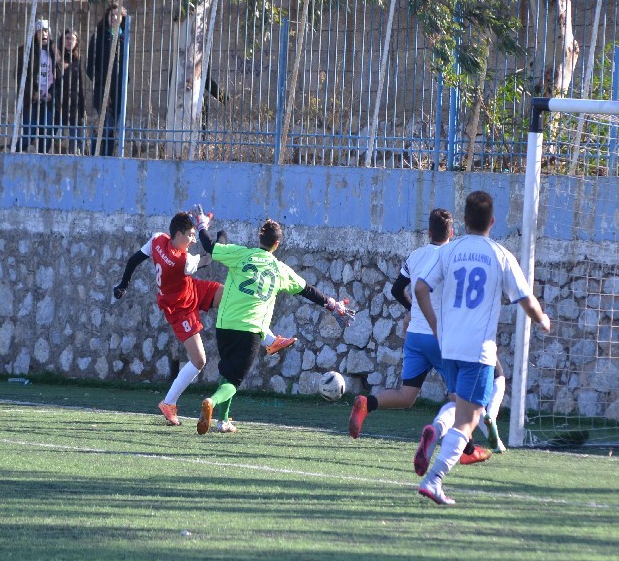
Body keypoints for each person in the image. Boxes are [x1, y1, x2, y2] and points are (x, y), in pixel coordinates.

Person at [412, 190, 550, 506]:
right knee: (470, 418)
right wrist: (542, 319)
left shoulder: (449, 251)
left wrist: (435, 325)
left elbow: (420, 288)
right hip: (478, 350)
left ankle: (436, 430)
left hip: (449, 347)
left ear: (464, 221)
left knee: (459, 405)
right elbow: (526, 300)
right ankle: (434, 480)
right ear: (492, 221)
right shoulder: (500, 255)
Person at [347, 208, 502, 461]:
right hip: (441, 336)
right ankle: (466, 449)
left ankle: (368, 403)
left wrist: (413, 310)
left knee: (407, 395)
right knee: (460, 397)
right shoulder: (454, 256)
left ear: (429, 232)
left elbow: (397, 290)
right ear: (452, 233)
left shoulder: (416, 255)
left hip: (416, 336)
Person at [112, 212, 296, 425]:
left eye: (194, 234)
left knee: (234, 296)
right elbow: (209, 258)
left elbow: (134, 260)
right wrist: (220, 237)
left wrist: (123, 285)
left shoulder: (157, 239)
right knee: (199, 360)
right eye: (190, 235)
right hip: (179, 307)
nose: (193, 240)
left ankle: (270, 341)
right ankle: (168, 403)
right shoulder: (182, 261)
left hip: (191, 289)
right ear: (178, 234)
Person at [193, 210, 352, 434]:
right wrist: (333, 305)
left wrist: (201, 225)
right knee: (233, 381)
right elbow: (307, 290)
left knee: (228, 372)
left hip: (224, 325)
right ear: (276, 244)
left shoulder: (241, 254)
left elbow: (210, 246)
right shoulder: (279, 269)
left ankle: (223, 421)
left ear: (259, 237)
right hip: (249, 330)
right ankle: (212, 401)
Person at [86, 3, 127, 157]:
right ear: (107, 17)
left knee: (112, 129)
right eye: (111, 15)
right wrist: (103, 87)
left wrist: (125, 80)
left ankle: (107, 159)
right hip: (103, 90)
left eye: (118, 15)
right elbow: (90, 67)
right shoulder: (98, 37)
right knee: (105, 126)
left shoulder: (124, 37)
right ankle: (94, 156)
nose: (114, 18)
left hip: (119, 91)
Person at [17, 19, 58, 153]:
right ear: (35, 34)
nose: (44, 34)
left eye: (46, 31)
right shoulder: (27, 51)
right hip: (32, 97)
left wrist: (52, 93)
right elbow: (21, 75)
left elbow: (59, 75)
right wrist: (32, 92)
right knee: (30, 131)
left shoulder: (54, 52)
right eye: (40, 32)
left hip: (49, 96)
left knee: (48, 130)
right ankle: (14, 152)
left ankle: (42, 156)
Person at [57, 28, 87, 154]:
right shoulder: (56, 55)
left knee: (76, 138)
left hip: (74, 103)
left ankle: (76, 156)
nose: (70, 41)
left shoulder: (77, 59)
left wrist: (82, 106)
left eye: (73, 39)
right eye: (67, 38)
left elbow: (80, 84)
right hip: (58, 101)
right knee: (52, 135)